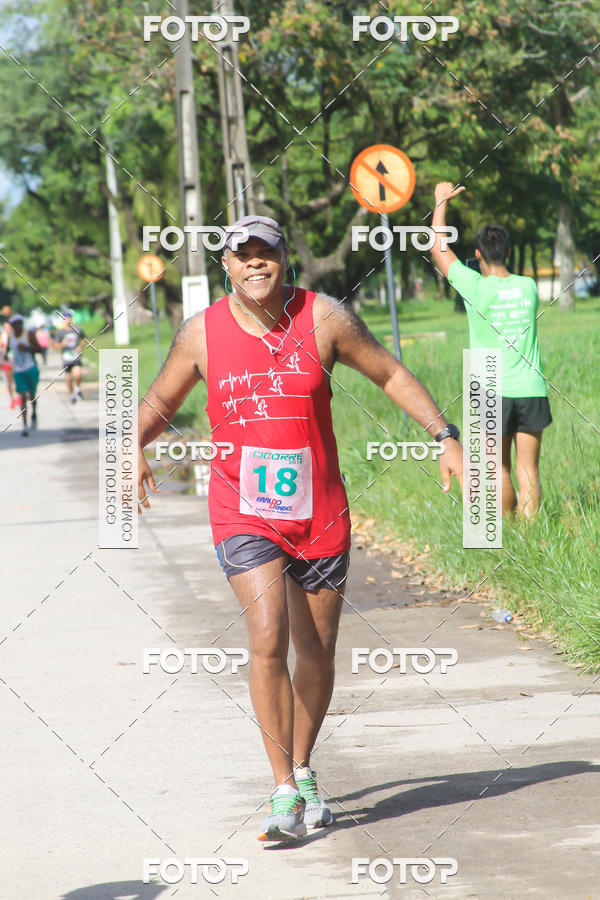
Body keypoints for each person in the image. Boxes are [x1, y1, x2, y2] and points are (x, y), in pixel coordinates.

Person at [137, 215, 463, 842]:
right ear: (224, 265)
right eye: (243, 254)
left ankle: (305, 766)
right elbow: (158, 403)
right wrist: (130, 445)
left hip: (320, 512)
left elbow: (390, 373)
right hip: (243, 510)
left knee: (315, 650)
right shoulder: (200, 334)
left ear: (286, 258)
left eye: (267, 252)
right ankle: (282, 788)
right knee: (267, 635)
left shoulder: (325, 318)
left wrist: (443, 435)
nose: (255, 263)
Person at [429, 183, 552, 517]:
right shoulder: (528, 287)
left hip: (490, 392)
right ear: (509, 253)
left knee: (499, 469)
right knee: (529, 471)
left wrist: (441, 203)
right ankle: (530, 538)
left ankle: (508, 536)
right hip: (530, 389)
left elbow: (439, 248)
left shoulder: (473, 286)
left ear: (479, 255)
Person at [9, 314, 43, 436]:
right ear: (12, 326)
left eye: (18, 323)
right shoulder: (10, 337)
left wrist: (27, 348)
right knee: (23, 396)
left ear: (21, 324)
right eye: (14, 324)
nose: (17, 326)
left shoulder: (28, 334)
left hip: (31, 368)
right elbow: (7, 351)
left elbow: (40, 349)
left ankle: (34, 413)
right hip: (18, 371)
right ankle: (24, 425)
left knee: (32, 395)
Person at [52, 308, 86, 403]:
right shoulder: (60, 332)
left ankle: (77, 390)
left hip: (76, 357)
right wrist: (61, 344)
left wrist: (80, 346)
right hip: (66, 358)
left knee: (78, 375)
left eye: (69, 317)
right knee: (69, 378)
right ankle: (72, 395)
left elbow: (84, 339)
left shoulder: (77, 329)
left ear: (71, 319)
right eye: (65, 318)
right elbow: (55, 346)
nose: (67, 319)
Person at [1, 316, 19, 409]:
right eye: (6, 328)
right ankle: (12, 399)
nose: (8, 329)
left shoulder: (15, 336)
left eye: (9, 327)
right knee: (8, 381)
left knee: (16, 379)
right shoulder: (3, 337)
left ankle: (18, 396)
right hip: (6, 361)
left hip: (15, 361)